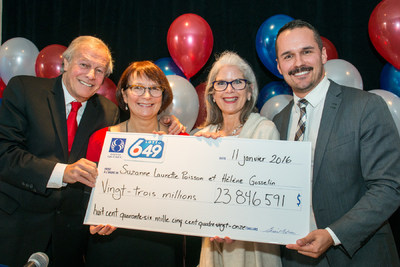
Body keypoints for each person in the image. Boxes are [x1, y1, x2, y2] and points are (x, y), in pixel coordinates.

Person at [273, 19, 400, 266]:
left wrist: (333, 235)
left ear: (322, 54)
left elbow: (389, 186)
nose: (298, 63)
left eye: (306, 52)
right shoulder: (277, 121)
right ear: (278, 66)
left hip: (359, 256)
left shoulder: (365, 106)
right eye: (288, 56)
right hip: (295, 258)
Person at [0, 36, 120, 266]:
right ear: (65, 62)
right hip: (15, 232)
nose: (91, 76)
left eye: (100, 70)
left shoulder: (108, 112)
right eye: (84, 65)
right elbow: (4, 154)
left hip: (69, 244)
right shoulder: (25, 90)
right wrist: (61, 172)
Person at [84, 60, 197, 266]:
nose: (147, 96)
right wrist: (93, 218)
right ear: (124, 95)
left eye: (154, 88)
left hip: (161, 247)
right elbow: (86, 196)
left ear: (163, 97)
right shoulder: (101, 139)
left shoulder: (180, 140)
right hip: (109, 244)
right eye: (138, 88)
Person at [195, 51, 282, 267]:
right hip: (213, 246)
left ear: (250, 91)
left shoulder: (265, 131)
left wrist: (239, 226)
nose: (230, 90)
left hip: (254, 248)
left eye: (238, 82)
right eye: (222, 84)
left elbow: (272, 198)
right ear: (212, 94)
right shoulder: (202, 137)